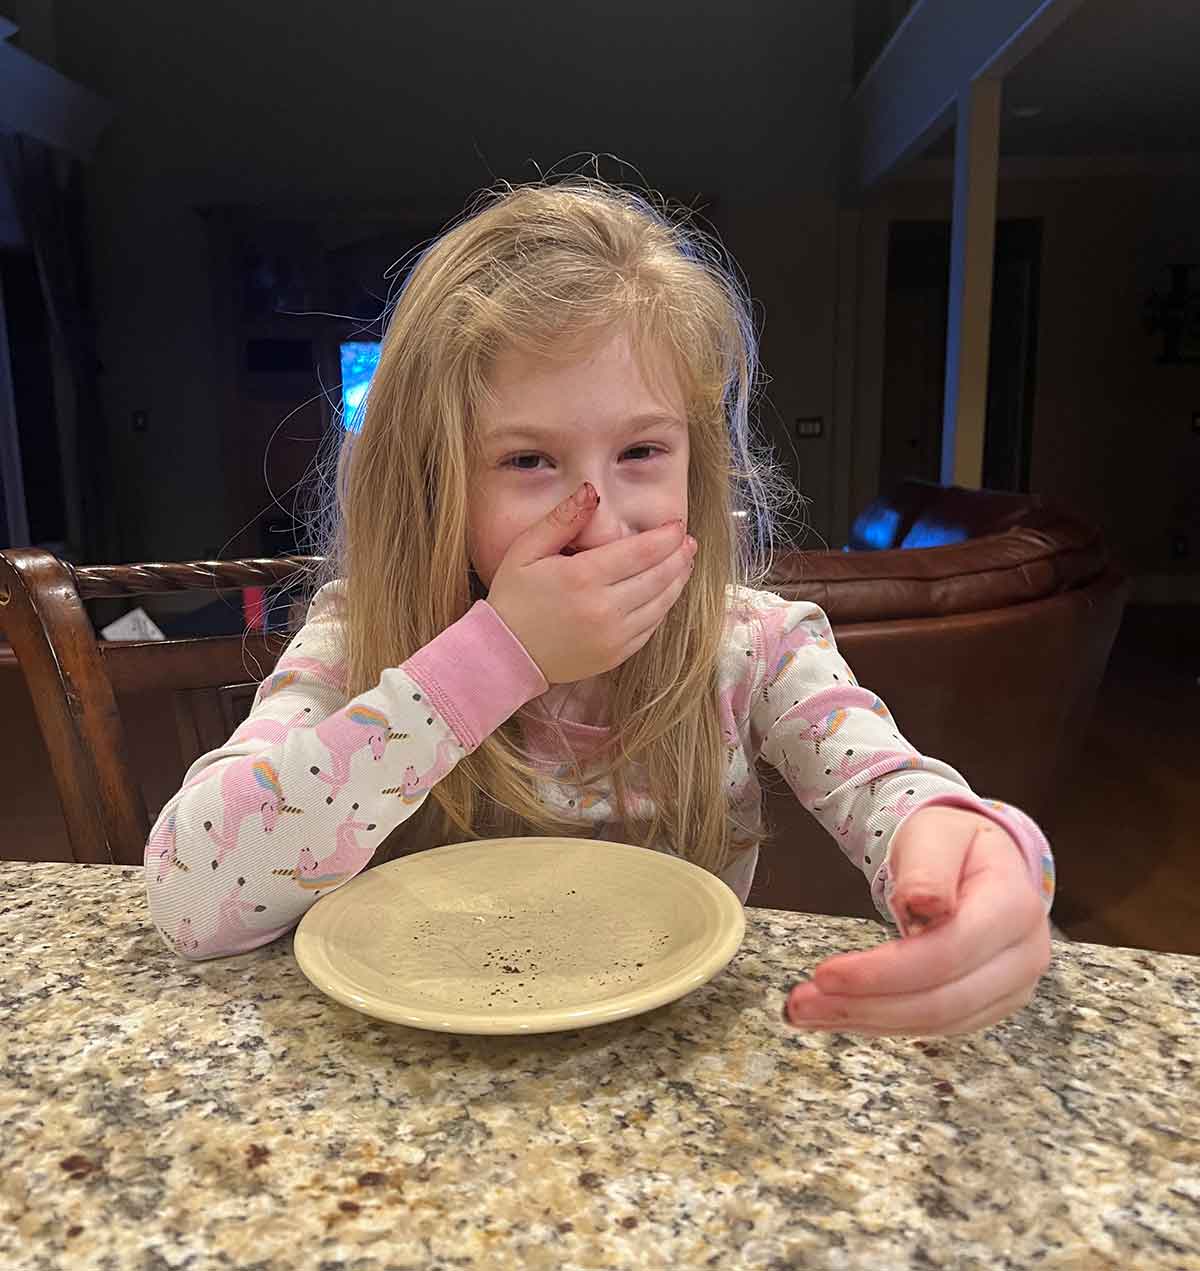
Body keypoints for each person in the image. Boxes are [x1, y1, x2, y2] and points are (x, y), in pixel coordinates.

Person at [145, 179, 1052, 1036]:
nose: (600, 518)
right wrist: (488, 661)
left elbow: (892, 788)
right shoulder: (357, 635)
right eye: (528, 461)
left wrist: (978, 861)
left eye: (643, 451)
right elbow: (191, 895)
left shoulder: (758, 647)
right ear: (430, 485)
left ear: (697, 463)